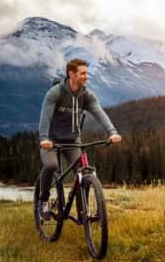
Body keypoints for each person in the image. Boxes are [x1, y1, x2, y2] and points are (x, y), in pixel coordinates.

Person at [37, 57, 122, 217]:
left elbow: (99, 112)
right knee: (51, 166)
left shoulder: (86, 95)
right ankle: (43, 201)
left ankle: (83, 211)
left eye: (86, 73)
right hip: (52, 141)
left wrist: (112, 132)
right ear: (71, 74)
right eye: (82, 73)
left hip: (73, 140)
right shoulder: (55, 93)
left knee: (83, 173)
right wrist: (44, 139)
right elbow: (45, 117)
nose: (86, 76)